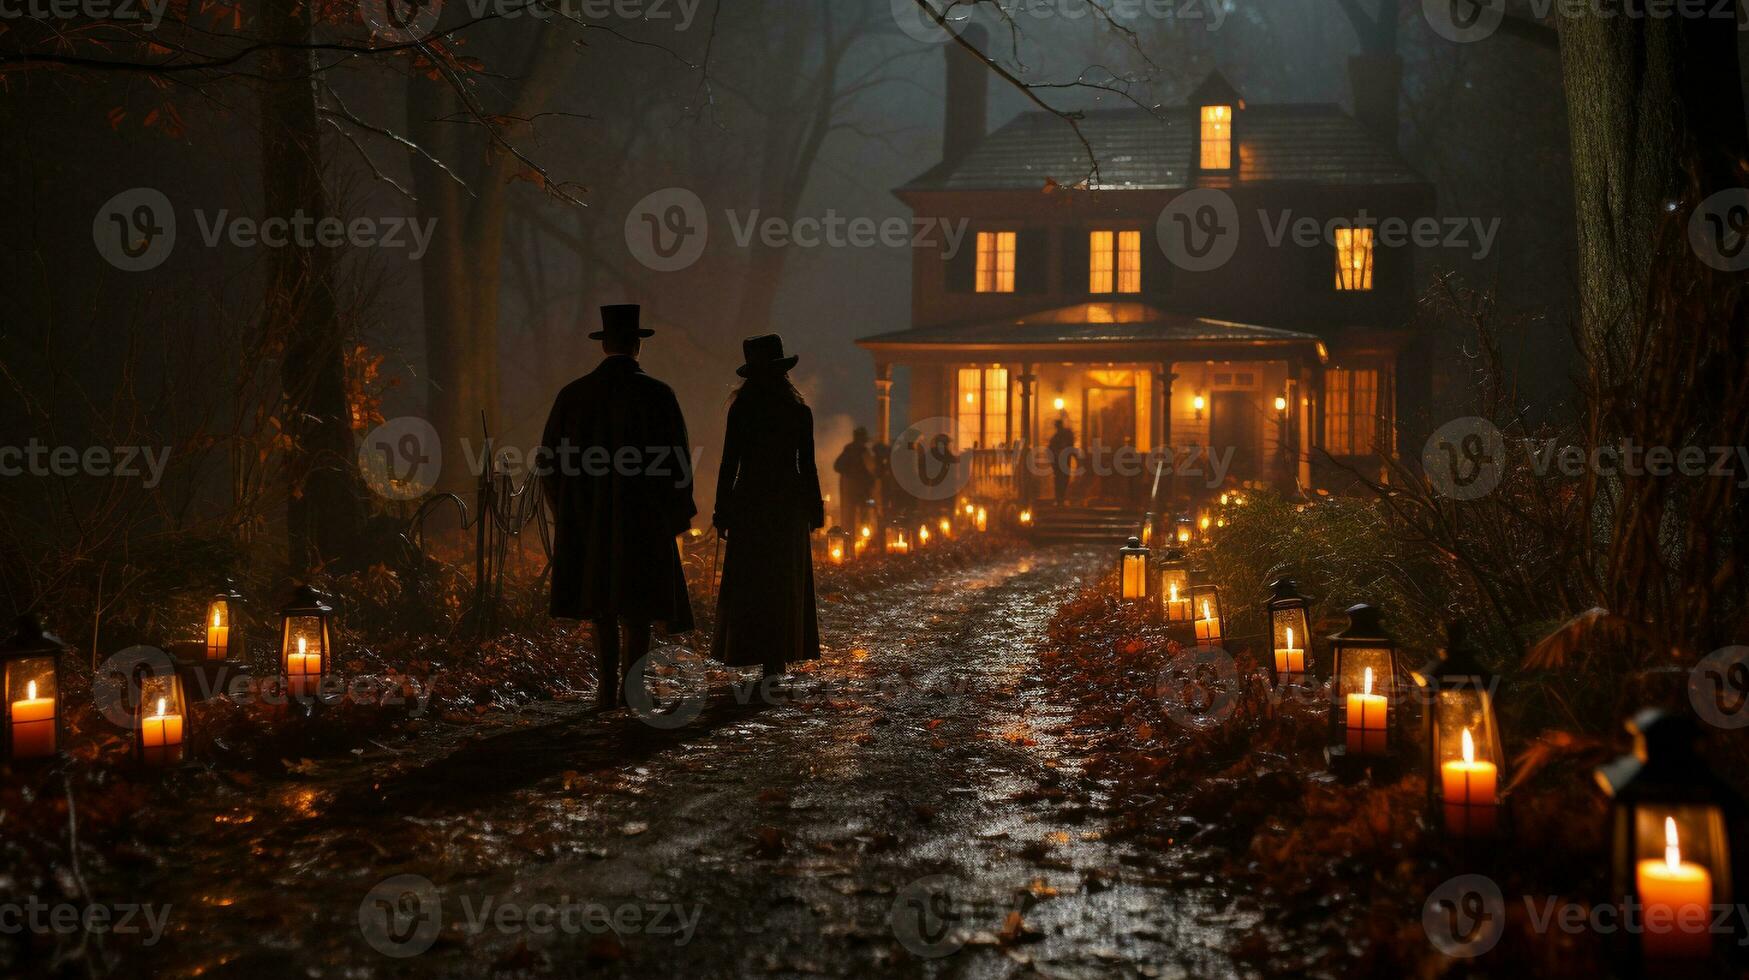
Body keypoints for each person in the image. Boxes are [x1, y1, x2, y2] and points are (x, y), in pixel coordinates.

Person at [540, 304, 696, 710]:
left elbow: (549, 462)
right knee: (638, 605)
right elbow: (679, 460)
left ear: (605, 344)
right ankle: (632, 688)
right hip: (643, 519)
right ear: (637, 346)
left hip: (589, 520)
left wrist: (567, 512)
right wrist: (675, 515)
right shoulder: (659, 395)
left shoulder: (573, 396)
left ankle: (605, 689)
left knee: (600, 605)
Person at [711, 335, 824, 676]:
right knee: (783, 579)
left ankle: (753, 647)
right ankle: (778, 654)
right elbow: (808, 465)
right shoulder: (797, 411)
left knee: (752, 580)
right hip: (788, 505)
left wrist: (722, 509)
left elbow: (729, 463)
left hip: (750, 503)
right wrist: (815, 508)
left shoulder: (742, 410)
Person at [833, 426, 875, 533]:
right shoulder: (864, 451)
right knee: (864, 517)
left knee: (849, 519)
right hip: (862, 492)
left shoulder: (848, 450)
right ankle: (862, 543)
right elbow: (873, 471)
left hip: (849, 492)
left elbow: (837, 466)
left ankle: (849, 543)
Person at [1047, 418, 1078, 504]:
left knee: (1061, 480)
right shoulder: (1059, 437)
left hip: (1060, 462)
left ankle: (1060, 498)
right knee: (1062, 479)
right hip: (1060, 463)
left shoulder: (1059, 437)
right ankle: (1060, 498)